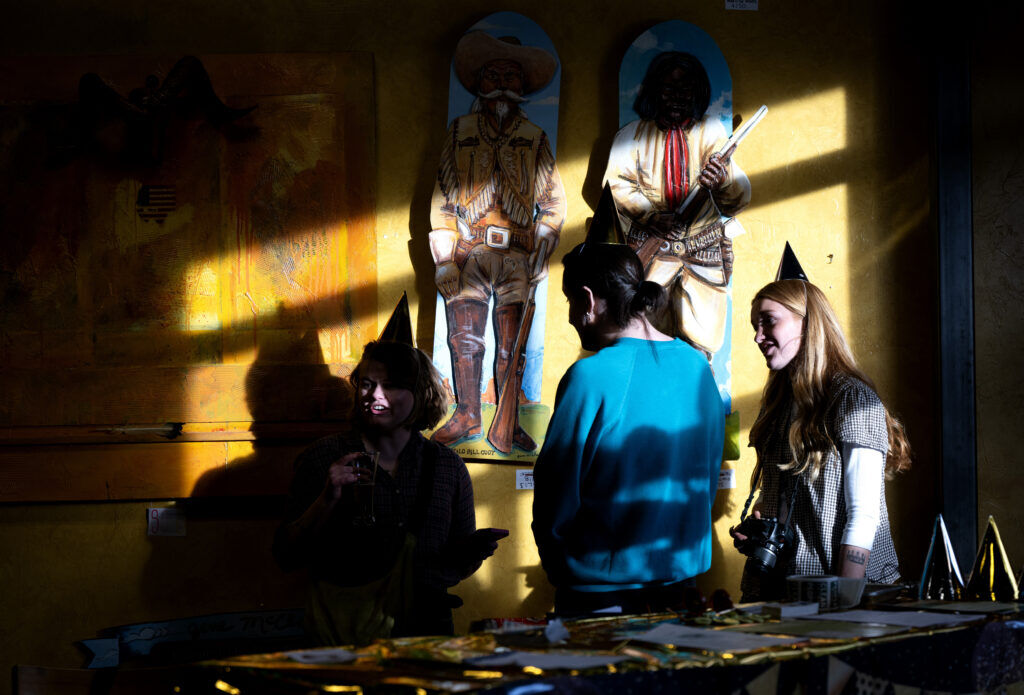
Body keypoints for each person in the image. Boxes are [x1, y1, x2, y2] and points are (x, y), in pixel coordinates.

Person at [532, 242, 724, 615]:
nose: (571, 317)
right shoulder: (698, 369)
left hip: (601, 595)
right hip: (682, 591)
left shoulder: (589, 376)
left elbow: (556, 488)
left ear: (588, 300)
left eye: (570, 302)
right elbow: (707, 474)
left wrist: (560, 567)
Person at [273, 340, 502, 645]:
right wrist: (327, 500)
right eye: (367, 384)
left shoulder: (448, 468)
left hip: (427, 639)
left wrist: (472, 551)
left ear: (420, 394)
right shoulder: (323, 458)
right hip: (346, 642)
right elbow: (286, 556)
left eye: (391, 386)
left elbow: (455, 564)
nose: (375, 396)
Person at [429, 30, 567, 450]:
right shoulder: (460, 132)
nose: (503, 82)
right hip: (469, 252)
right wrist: (445, 259)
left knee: (512, 345)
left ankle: (509, 419)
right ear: (480, 82)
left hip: (518, 256)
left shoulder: (536, 139)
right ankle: (468, 414)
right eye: (494, 73)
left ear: (523, 86)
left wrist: (543, 251)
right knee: (464, 338)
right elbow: (442, 199)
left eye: (512, 74)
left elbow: (554, 203)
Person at [733, 279, 911, 601]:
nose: (758, 337)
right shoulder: (778, 404)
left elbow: (863, 515)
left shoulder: (853, 399)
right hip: (783, 590)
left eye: (769, 321)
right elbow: (792, 497)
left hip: (841, 591)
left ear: (809, 322)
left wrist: (844, 604)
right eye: (755, 326)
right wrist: (762, 524)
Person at [604, 51, 751, 358]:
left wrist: (721, 178)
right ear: (654, 91)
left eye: (685, 90)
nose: (677, 98)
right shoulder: (630, 136)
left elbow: (737, 199)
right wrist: (650, 215)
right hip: (652, 252)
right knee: (641, 339)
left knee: (701, 347)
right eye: (669, 89)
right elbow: (616, 185)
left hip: (703, 253)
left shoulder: (711, 131)